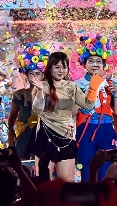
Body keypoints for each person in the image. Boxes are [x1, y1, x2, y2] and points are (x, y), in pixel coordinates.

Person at [32, 50, 98, 181]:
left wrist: (93, 87)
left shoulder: (72, 86)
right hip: (46, 133)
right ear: (50, 68)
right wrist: (39, 91)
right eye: (57, 67)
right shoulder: (42, 85)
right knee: (44, 179)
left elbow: (87, 105)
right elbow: (36, 110)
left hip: (67, 134)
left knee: (67, 179)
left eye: (64, 67)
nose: (61, 70)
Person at [74, 35, 117, 177]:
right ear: (84, 64)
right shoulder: (78, 84)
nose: (95, 64)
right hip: (86, 127)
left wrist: (116, 94)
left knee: (106, 167)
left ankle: (105, 191)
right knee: (86, 166)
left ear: (103, 64)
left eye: (98, 61)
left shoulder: (110, 83)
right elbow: (76, 109)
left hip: (106, 128)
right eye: (91, 61)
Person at [7, 45, 48, 168]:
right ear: (26, 74)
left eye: (38, 74)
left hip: (44, 136)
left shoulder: (50, 94)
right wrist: (10, 132)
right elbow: (12, 116)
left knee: (43, 166)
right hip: (25, 136)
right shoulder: (19, 94)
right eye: (31, 73)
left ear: (44, 75)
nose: (34, 77)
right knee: (24, 167)